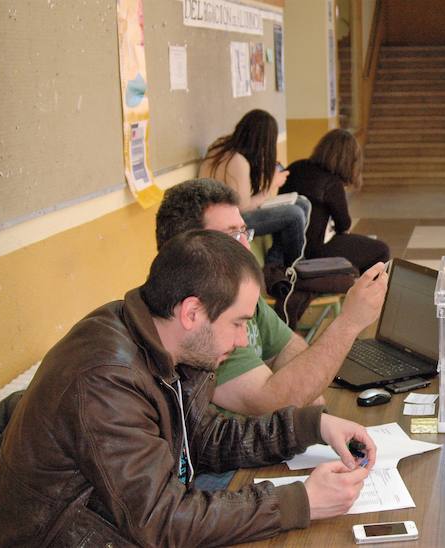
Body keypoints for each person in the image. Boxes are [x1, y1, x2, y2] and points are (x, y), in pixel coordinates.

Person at [0, 230, 377, 546]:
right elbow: (162, 522)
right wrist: (301, 501)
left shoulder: (164, 343)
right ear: (192, 313)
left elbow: (204, 438)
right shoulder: (106, 380)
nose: (242, 341)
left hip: (115, 524)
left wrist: (313, 427)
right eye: (238, 323)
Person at [156, 178, 387, 415]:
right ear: (189, 248)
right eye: (232, 237)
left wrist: (300, 390)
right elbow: (270, 403)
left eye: (245, 233)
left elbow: (288, 348)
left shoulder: (237, 292)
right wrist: (348, 323)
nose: (245, 247)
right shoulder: (202, 318)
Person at [200, 109, 311, 268]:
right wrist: (271, 185)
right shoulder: (238, 161)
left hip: (216, 214)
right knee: (294, 214)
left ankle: (276, 261)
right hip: (226, 222)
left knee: (301, 202)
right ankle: (296, 267)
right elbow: (243, 207)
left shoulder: (221, 146)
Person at [282, 129, 390, 274]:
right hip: (314, 251)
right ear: (349, 160)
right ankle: (369, 293)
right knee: (381, 250)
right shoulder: (332, 183)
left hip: (286, 247)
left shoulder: (296, 167)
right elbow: (344, 224)